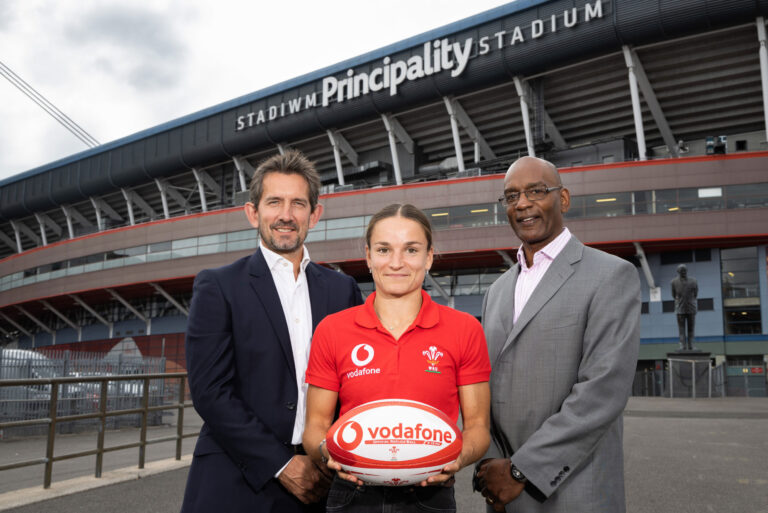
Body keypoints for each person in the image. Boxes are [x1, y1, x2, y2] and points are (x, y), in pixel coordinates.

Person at [181, 150, 363, 513]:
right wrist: (281, 464)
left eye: (298, 203)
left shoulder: (342, 289)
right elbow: (210, 392)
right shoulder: (218, 286)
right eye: (274, 202)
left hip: (325, 479)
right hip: (239, 479)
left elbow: (355, 381)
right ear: (253, 213)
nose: (285, 215)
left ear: (315, 214)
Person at [475, 156, 641, 512]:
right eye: (511, 196)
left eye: (536, 191)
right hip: (501, 492)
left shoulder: (611, 276)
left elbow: (603, 391)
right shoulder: (496, 291)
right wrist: (489, 462)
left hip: (574, 490)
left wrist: (520, 471)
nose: (522, 203)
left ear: (562, 199)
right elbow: (482, 385)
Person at [303, 203, 491, 512]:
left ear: (429, 257)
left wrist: (457, 456)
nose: (396, 263)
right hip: (352, 493)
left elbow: (478, 426)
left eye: (411, 250)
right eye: (384, 249)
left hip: (430, 496)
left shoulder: (465, 329)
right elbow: (315, 426)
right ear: (368, 257)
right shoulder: (333, 330)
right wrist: (329, 453)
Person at [670, 264, 698, 351]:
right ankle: (682, 345)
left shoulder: (693, 281)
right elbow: (674, 295)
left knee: (691, 328)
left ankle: (691, 345)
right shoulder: (673, 282)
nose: (683, 272)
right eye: (682, 271)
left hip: (691, 308)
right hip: (680, 309)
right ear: (678, 272)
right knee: (681, 329)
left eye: (685, 270)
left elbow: (695, 294)